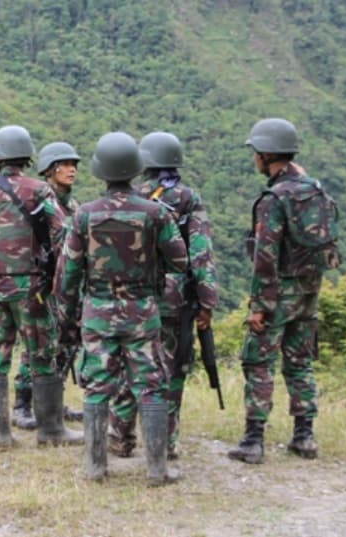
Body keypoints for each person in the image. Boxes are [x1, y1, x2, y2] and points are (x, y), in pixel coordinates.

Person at [54, 132, 187, 485]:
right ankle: (157, 469)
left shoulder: (84, 215)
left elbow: (68, 273)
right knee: (152, 386)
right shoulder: (155, 213)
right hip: (142, 312)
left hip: (97, 313)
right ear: (135, 169)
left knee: (97, 387)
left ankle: (95, 467)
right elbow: (179, 262)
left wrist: (67, 315)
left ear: (101, 171)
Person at [0, 126, 81, 448]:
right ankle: (50, 431)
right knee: (42, 354)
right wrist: (58, 277)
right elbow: (62, 232)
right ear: (27, 156)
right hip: (31, 286)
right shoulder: (38, 190)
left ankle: (3, 435)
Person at [228, 118, 338, 464]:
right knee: (300, 361)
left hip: (279, 292)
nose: (254, 159)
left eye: (255, 153)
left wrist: (259, 306)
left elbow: (265, 257)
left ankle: (253, 440)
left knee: (258, 361)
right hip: (310, 290)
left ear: (265, 154)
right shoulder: (314, 189)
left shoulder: (273, 199)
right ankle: (304, 436)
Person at [108, 132, 217, 460]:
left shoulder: (130, 194)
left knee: (129, 366)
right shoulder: (187, 198)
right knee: (171, 369)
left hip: (131, 297)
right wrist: (207, 300)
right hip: (174, 300)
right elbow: (201, 253)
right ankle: (166, 444)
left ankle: (120, 438)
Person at [12, 141, 84, 430]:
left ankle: (53, 402)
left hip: (66, 284)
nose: (71, 170)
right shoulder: (41, 201)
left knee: (67, 343)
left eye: (74, 165)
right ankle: (22, 404)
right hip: (42, 284)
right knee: (38, 344)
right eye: (65, 165)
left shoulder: (72, 204)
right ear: (50, 170)